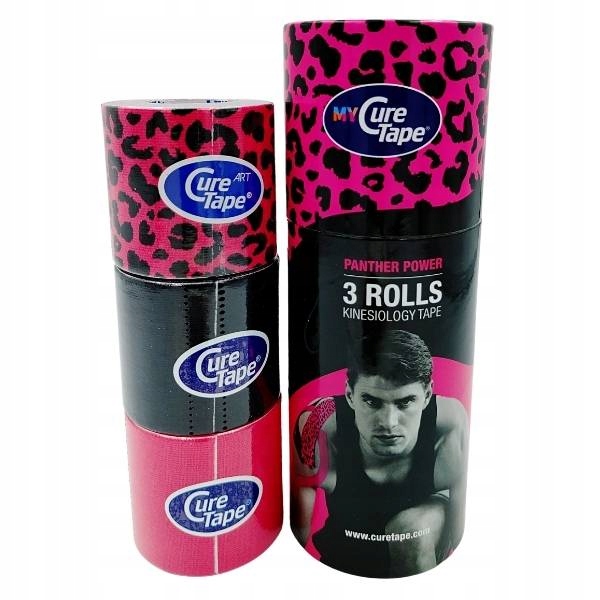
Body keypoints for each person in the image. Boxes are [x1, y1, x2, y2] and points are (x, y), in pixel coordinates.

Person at [292, 329, 468, 577]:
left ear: (427, 395)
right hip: (343, 553)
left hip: (424, 525)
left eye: (405, 402)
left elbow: (455, 536)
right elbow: (300, 535)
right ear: (350, 395)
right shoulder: (317, 429)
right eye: (372, 401)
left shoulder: (448, 426)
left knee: (409, 532)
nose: (388, 422)